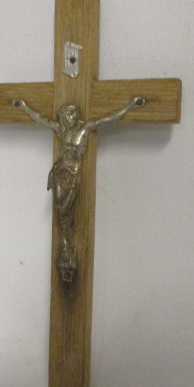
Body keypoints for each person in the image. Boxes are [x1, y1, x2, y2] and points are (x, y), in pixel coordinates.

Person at [12, 96, 145, 282]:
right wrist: (24, 107)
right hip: (59, 173)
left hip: (73, 176)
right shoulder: (60, 130)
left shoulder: (84, 129)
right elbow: (41, 119)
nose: (68, 118)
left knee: (66, 211)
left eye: (71, 115)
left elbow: (109, 119)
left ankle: (68, 251)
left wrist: (130, 106)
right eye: (65, 116)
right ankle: (66, 250)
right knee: (61, 213)